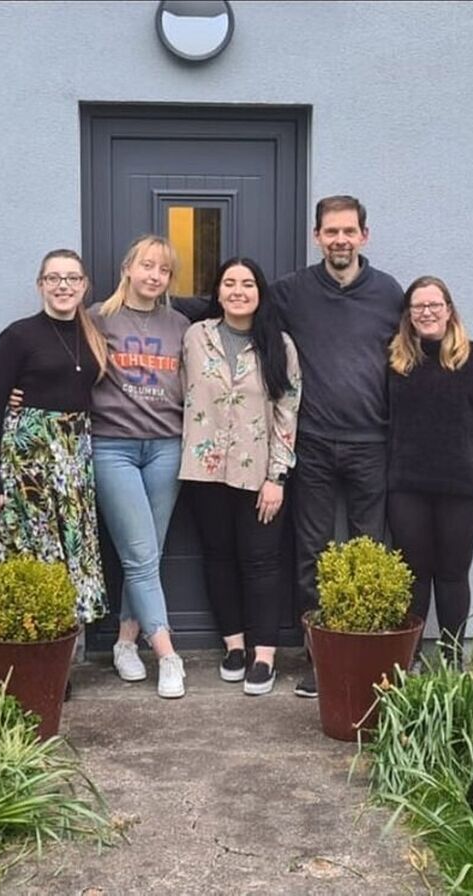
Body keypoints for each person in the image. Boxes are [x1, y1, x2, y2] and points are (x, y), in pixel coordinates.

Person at [271, 195, 473, 697]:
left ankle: (372, 649)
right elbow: (237, 307)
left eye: (348, 231)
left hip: (372, 445)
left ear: (364, 235)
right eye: (330, 231)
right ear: (317, 236)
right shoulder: (292, 291)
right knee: (312, 553)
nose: (340, 239)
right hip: (312, 442)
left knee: (372, 554)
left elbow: (433, 344)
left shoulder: (388, 293)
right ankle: (321, 658)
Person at [179, 257, 302, 696]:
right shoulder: (196, 337)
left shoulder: (279, 344)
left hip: (258, 473)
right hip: (204, 470)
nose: (237, 291)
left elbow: (287, 412)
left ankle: (263, 654)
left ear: (259, 292)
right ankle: (234, 647)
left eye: (247, 284)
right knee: (218, 556)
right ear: (217, 291)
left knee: (262, 562)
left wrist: (278, 477)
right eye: (229, 283)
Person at [0, 249, 110, 635]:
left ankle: (64, 648)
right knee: (36, 548)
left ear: (84, 285)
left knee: (73, 548)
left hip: (74, 456)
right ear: (40, 286)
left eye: (71, 278)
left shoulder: (93, 335)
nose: (63, 286)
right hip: (27, 459)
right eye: (53, 278)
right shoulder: (17, 336)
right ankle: (35, 644)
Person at [386, 275, 473, 669]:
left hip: (461, 488)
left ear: (449, 311)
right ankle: (410, 657)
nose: (426, 313)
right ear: (408, 316)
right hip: (407, 486)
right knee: (415, 575)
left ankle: (452, 658)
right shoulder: (395, 362)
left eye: (433, 305)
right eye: (418, 307)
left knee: (453, 575)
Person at [89, 235, 192, 698]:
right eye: (147, 266)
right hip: (113, 448)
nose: (154, 276)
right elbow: (62, 366)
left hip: (166, 447)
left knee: (148, 552)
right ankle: (169, 654)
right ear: (128, 267)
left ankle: (125, 643)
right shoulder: (96, 318)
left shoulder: (180, 325)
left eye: (164, 270)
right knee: (140, 555)